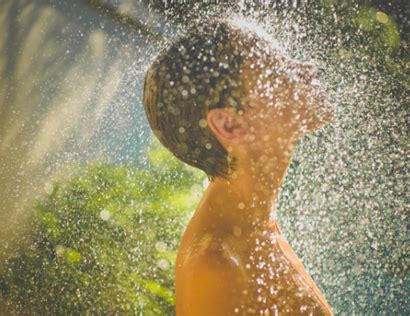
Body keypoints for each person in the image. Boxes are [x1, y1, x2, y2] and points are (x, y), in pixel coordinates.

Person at [143, 17, 334, 316]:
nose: (306, 69)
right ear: (230, 124)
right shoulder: (214, 267)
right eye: (276, 67)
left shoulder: (256, 222)